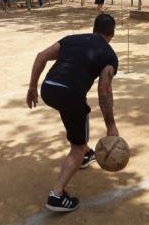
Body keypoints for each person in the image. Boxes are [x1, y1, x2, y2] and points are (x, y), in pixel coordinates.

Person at [26, 13, 119, 212]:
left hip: (48, 89)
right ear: (111, 34)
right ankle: (57, 195)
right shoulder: (109, 55)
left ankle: (85, 154)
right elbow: (104, 89)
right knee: (76, 141)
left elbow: (41, 57)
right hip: (70, 96)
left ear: (94, 28)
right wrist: (110, 125)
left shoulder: (72, 39)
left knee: (72, 113)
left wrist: (32, 87)